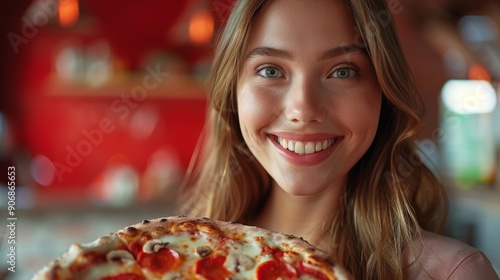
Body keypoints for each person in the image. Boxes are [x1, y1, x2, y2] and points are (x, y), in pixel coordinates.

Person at [179, 0, 500, 279]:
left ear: (383, 94)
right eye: (271, 71)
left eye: (342, 71)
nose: (303, 110)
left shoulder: (453, 274)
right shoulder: (171, 259)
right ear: (233, 91)